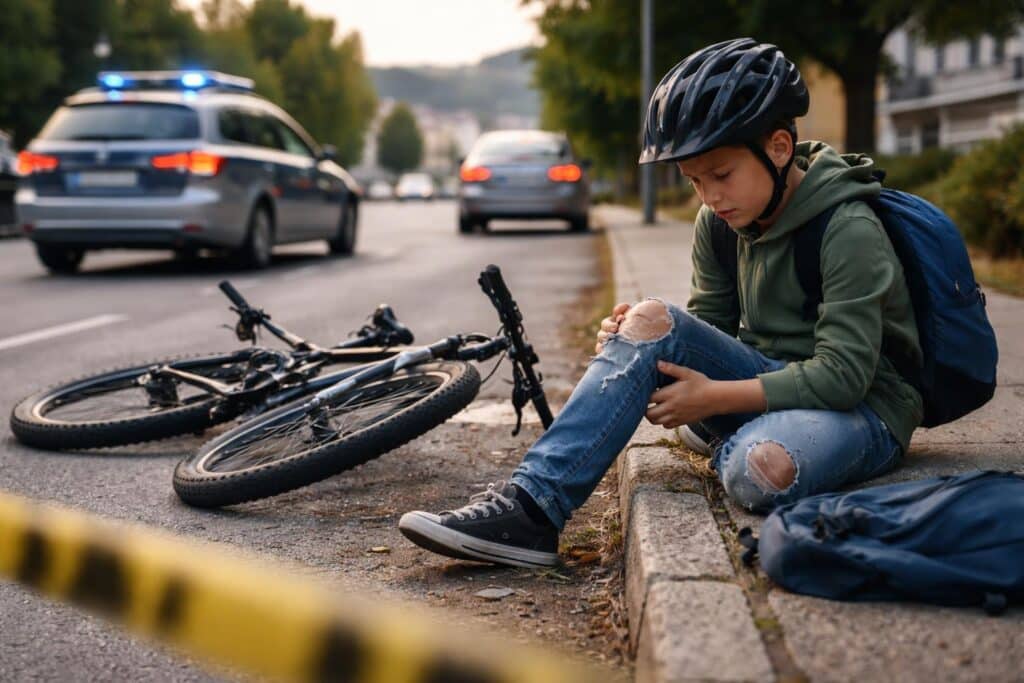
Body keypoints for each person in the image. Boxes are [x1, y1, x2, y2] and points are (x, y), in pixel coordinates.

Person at [398, 37, 923, 569]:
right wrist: (633, 344)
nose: (710, 196)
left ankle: (737, 439)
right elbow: (705, 330)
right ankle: (531, 508)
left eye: (721, 175)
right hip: (769, 380)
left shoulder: (847, 227)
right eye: (694, 181)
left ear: (780, 148)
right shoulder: (718, 223)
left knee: (759, 470)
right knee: (650, 320)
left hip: (863, 408)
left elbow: (844, 376)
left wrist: (714, 398)